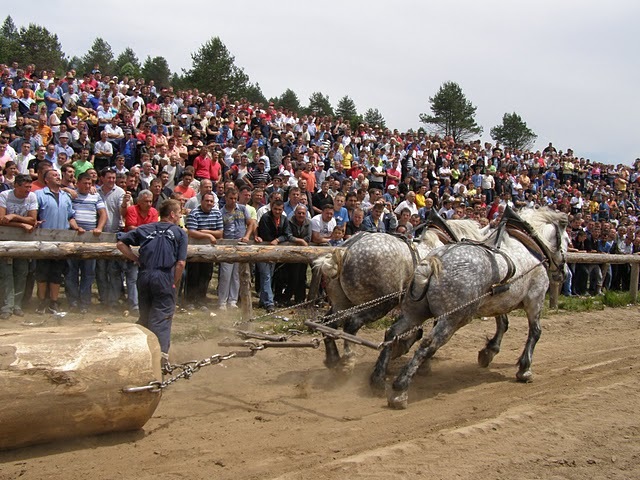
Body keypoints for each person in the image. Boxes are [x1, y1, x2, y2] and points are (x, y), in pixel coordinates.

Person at [116, 199, 187, 367]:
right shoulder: (180, 232)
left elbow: (120, 244)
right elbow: (181, 263)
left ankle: (140, 352)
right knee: (161, 316)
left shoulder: (145, 228)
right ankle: (160, 359)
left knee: (146, 315)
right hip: (163, 275)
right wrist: (173, 282)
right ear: (172, 214)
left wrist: (136, 259)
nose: (180, 216)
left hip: (145, 275)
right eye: (179, 213)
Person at [35, 169, 82, 313]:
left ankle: (54, 302)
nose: (57, 177)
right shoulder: (38, 195)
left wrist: (76, 227)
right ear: (46, 180)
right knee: (42, 273)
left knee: (56, 273)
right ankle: (42, 301)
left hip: (61, 240)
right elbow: (33, 214)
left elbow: (70, 216)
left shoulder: (65, 196)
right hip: (43, 240)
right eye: (54, 175)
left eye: (58, 175)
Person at [65, 172, 107, 313]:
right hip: (74, 235)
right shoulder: (71, 195)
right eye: (85, 183)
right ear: (78, 183)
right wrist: (76, 227)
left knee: (88, 272)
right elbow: (69, 215)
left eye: (90, 183)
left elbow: (103, 213)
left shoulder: (96, 196)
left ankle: (84, 302)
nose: (88, 186)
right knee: (71, 271)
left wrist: (99, 228)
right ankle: (73, 301)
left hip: (90, 238)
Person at [0, 174, 37, 319]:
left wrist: (13, 217)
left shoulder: (32, 197)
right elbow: (1, 219)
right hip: (5, 241)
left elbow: (33, 220)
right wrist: (22, 223)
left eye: (30, 186)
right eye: (25, 186)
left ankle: (17, 305)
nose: (28, 189)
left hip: (23, 241)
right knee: (6, 275)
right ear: (16, 185)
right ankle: (6, 306)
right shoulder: (5, 195)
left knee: (22, 273)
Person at [218, 187, 255, 309]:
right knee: (225, 274)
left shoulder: (243, 209)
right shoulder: (221, 212)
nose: (233, 201)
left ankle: (232, 300)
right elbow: (220, 230)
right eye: (231, 198)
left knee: (237, 275)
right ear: (226, 198)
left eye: (235, 198)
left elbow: (250, 223)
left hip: (241, 244)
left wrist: (247, 236)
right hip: (227, 245)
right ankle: (222, 301)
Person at [185, 192, 223, 310]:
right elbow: (192, 232)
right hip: (195, 249)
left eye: (211, 201)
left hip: (209, 250)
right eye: (207, 201)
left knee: (206, 275)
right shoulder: (194, 213)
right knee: (193, 275)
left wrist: (204, 231)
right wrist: (211, 236)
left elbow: (220, 233)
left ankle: (201, 300)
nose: (209, 203)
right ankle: (190, 300)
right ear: (201, 201)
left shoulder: (217, 213)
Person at [255, 199, 291, 313]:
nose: (277, 211)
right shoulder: (265, 218)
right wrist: (275, 240)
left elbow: (287, 234)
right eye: (275, 209)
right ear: (272, 208)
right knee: (266, 275)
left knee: (269, 276)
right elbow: (266, 235)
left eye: (280, 209)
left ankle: (263, 300)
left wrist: (278, 239)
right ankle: (269, 303)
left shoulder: (284, 219)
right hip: (263, 250)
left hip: (275, 251)